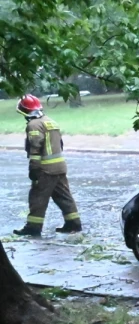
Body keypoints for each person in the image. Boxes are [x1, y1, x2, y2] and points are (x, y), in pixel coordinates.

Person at [12, 94, 82, 237]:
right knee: (64, 196)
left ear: (25, 112)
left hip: (45, 169)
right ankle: (73, 223)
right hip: (60, 166)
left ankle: (33, 227)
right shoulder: (51, 122)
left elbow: (35, 147)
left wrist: (34, 168)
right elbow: (60, 144)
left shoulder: (33, 125)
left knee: (37, 197)